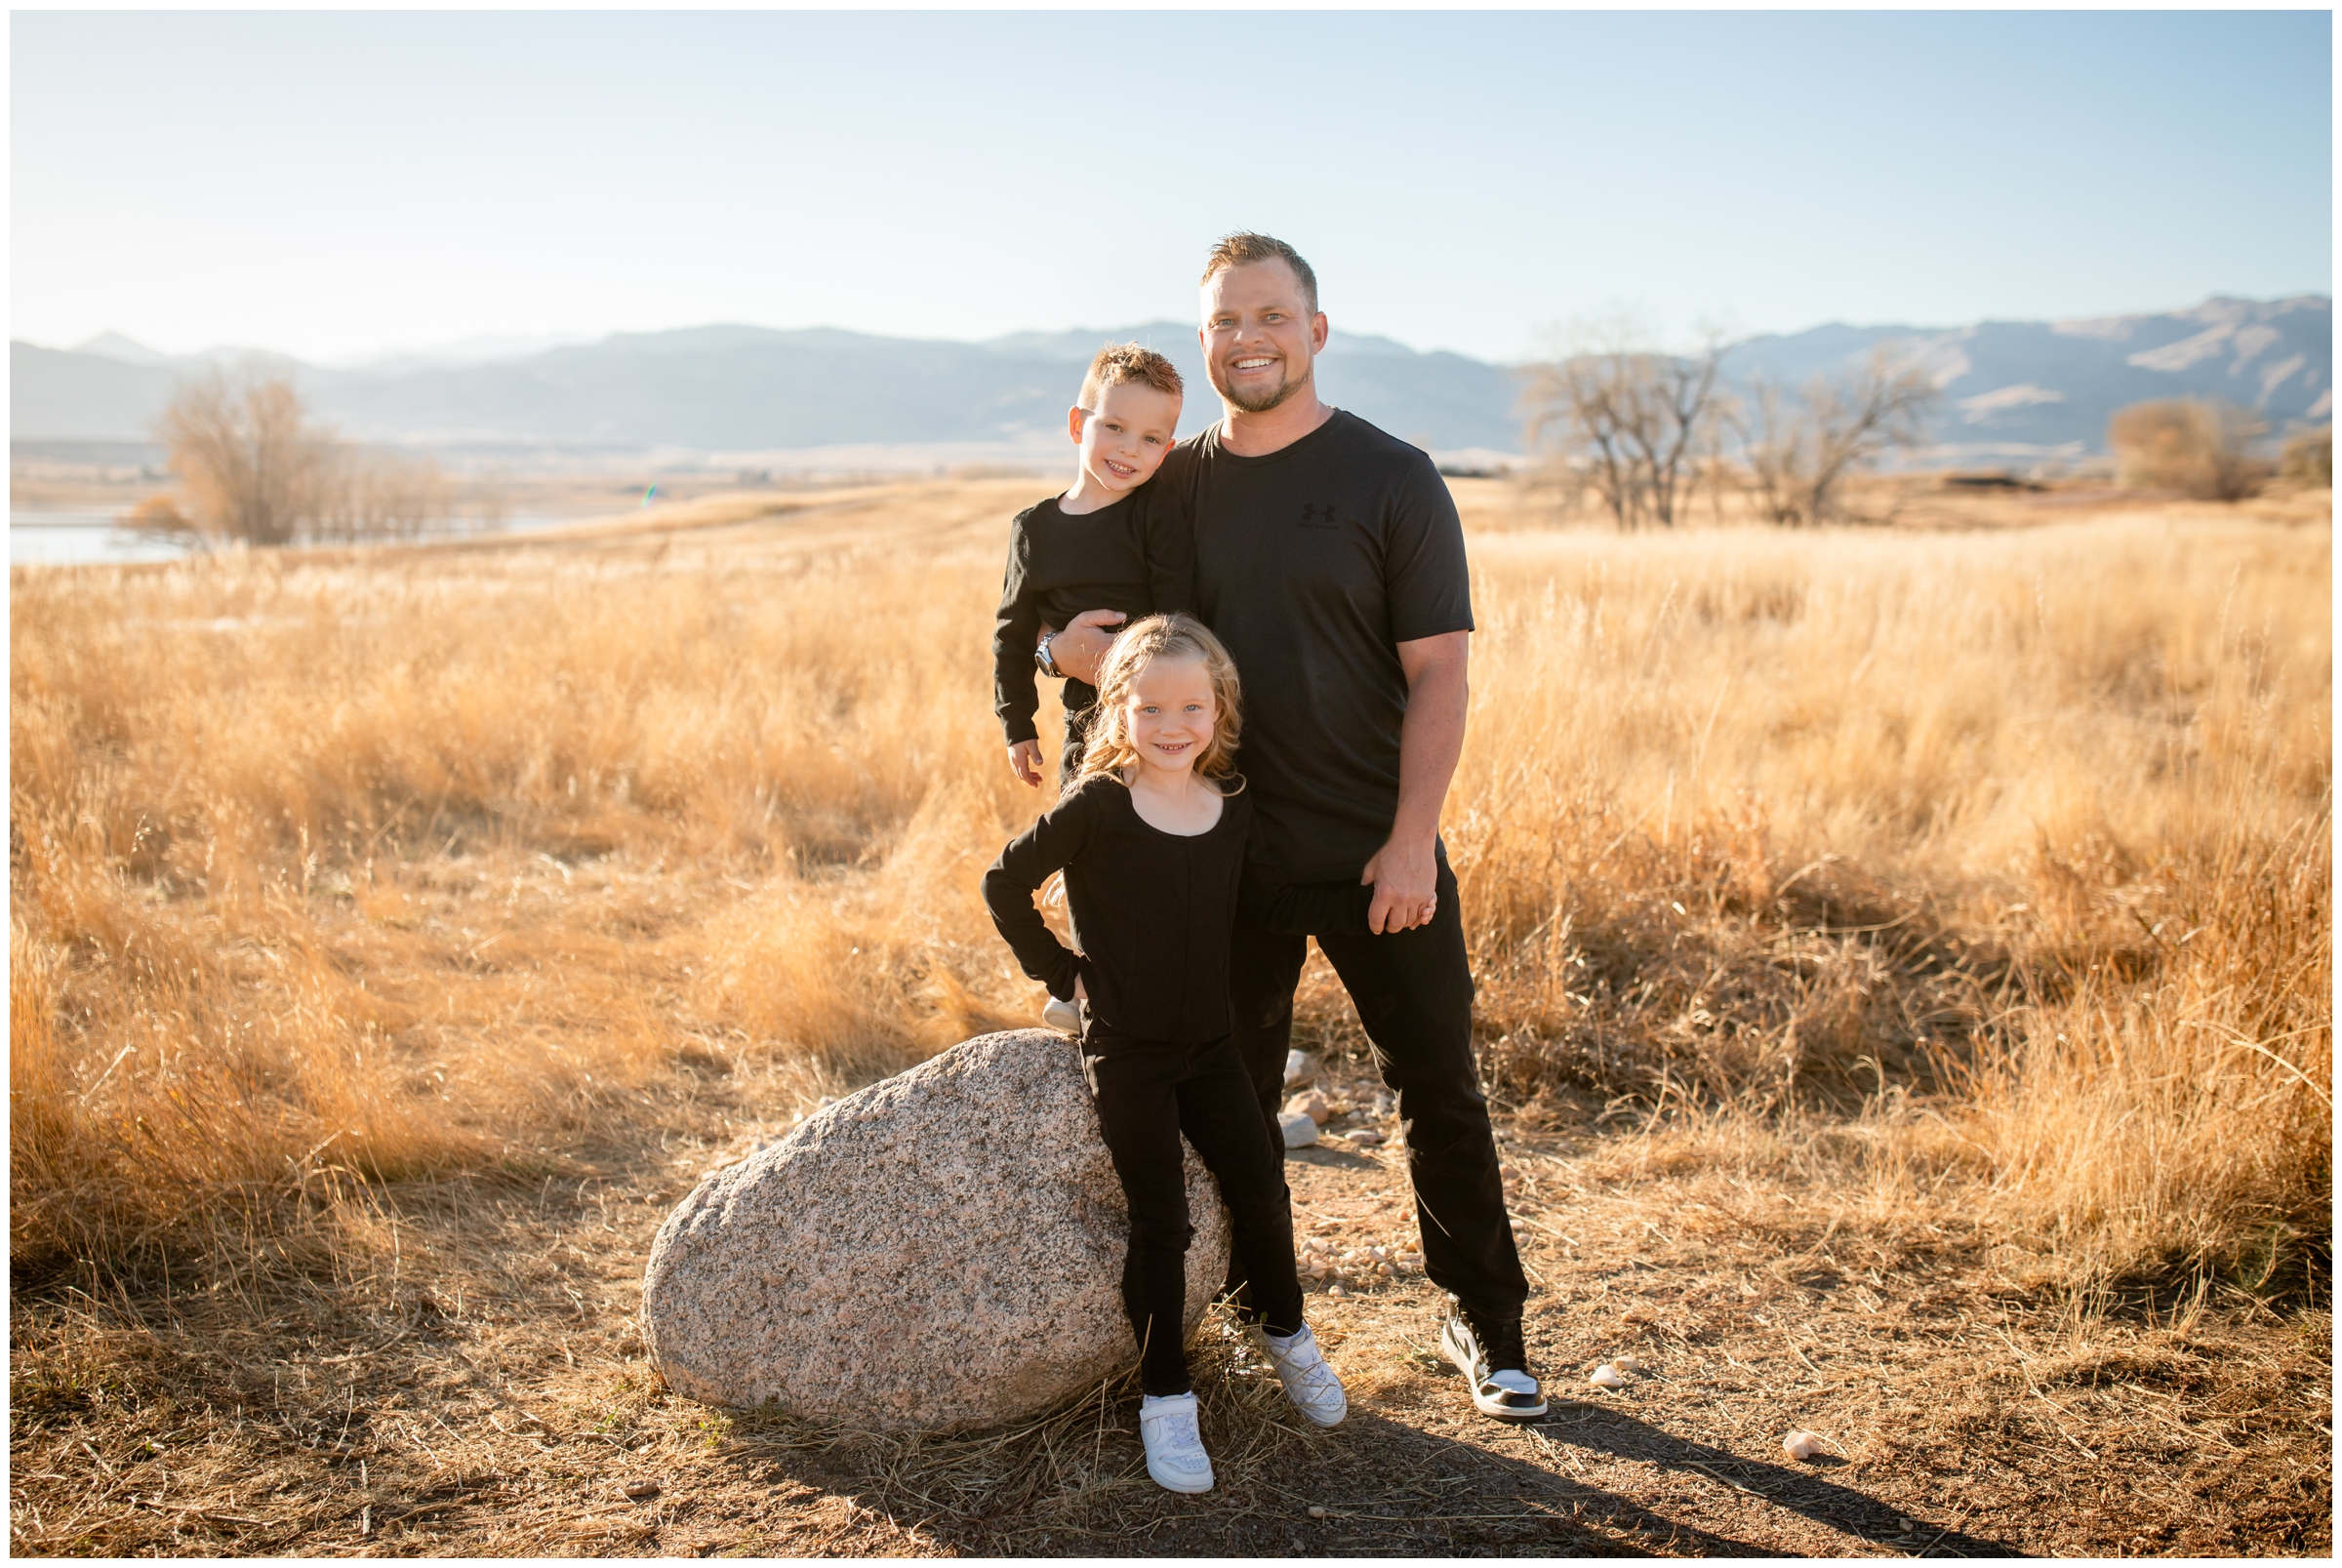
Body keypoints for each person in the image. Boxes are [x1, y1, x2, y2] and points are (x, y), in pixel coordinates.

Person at [1044, 233, 1545, 1422]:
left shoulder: (1392, 476)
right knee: (1221, 1099)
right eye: (1223, 321)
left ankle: (1488, 1323)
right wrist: (1063, 658)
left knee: (1439, 1087)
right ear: (1203, 339)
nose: (1247, 339)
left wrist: (1414, 835)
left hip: (1378, 851)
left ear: (1316, 331)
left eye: (1270, 315)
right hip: (1215, 864)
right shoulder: (1174, 483)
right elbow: (1102, 635)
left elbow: (1440, 674)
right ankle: (1235, 1321)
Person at [982, 614, 1347, 1494]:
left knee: (1261, 1179)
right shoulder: (1098, 805)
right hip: (1130, 1050)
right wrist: (1064, 975)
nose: (1173, 724)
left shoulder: (1230, 805)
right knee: (1163, 1218)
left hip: (1211, 1044)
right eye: (1151, 707)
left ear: (1219, 709)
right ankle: (1165, 1396)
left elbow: (1256, 906)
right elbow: (1004, 882)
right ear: (1118, 711)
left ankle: (1288, 1333)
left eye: (1192, 704)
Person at [991, 343, 1191, 1033]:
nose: (1128, 450)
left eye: (1150, 438)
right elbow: (1014, 636)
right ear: (1078, 424)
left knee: (1163, 860)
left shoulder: (1155, 516)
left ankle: (1158, 998)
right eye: (1113, 427)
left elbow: (1178, 615)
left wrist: (1132, 668)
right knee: (1087, 856)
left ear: (1167, 449)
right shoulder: (1035, 530)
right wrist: (1018, 723)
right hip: (1086, 728)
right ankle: (1085, 984)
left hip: (1164, 725)